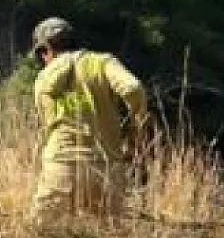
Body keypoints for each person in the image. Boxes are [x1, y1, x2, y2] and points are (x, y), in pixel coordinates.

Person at [28, 17, 148, 219]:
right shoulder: (101, 63)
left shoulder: (44, 77)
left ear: (45, 50)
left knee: (41, 234)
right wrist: (135, 132)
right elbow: (133, 88)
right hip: (105, 169)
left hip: (61, 166)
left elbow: (47, 124)